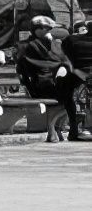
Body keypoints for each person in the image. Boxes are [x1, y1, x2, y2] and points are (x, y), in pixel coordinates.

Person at [17, 15, 90, 143]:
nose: (50, 31)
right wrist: (63, 64)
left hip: (50, 81)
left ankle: (65, 129)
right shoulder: (29, 45)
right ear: (37, 29)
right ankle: (58, 128)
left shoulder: (45, 43)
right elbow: (44, 64)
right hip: (41, 84)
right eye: (47, 28)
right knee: (70, 95)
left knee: (71, 91)